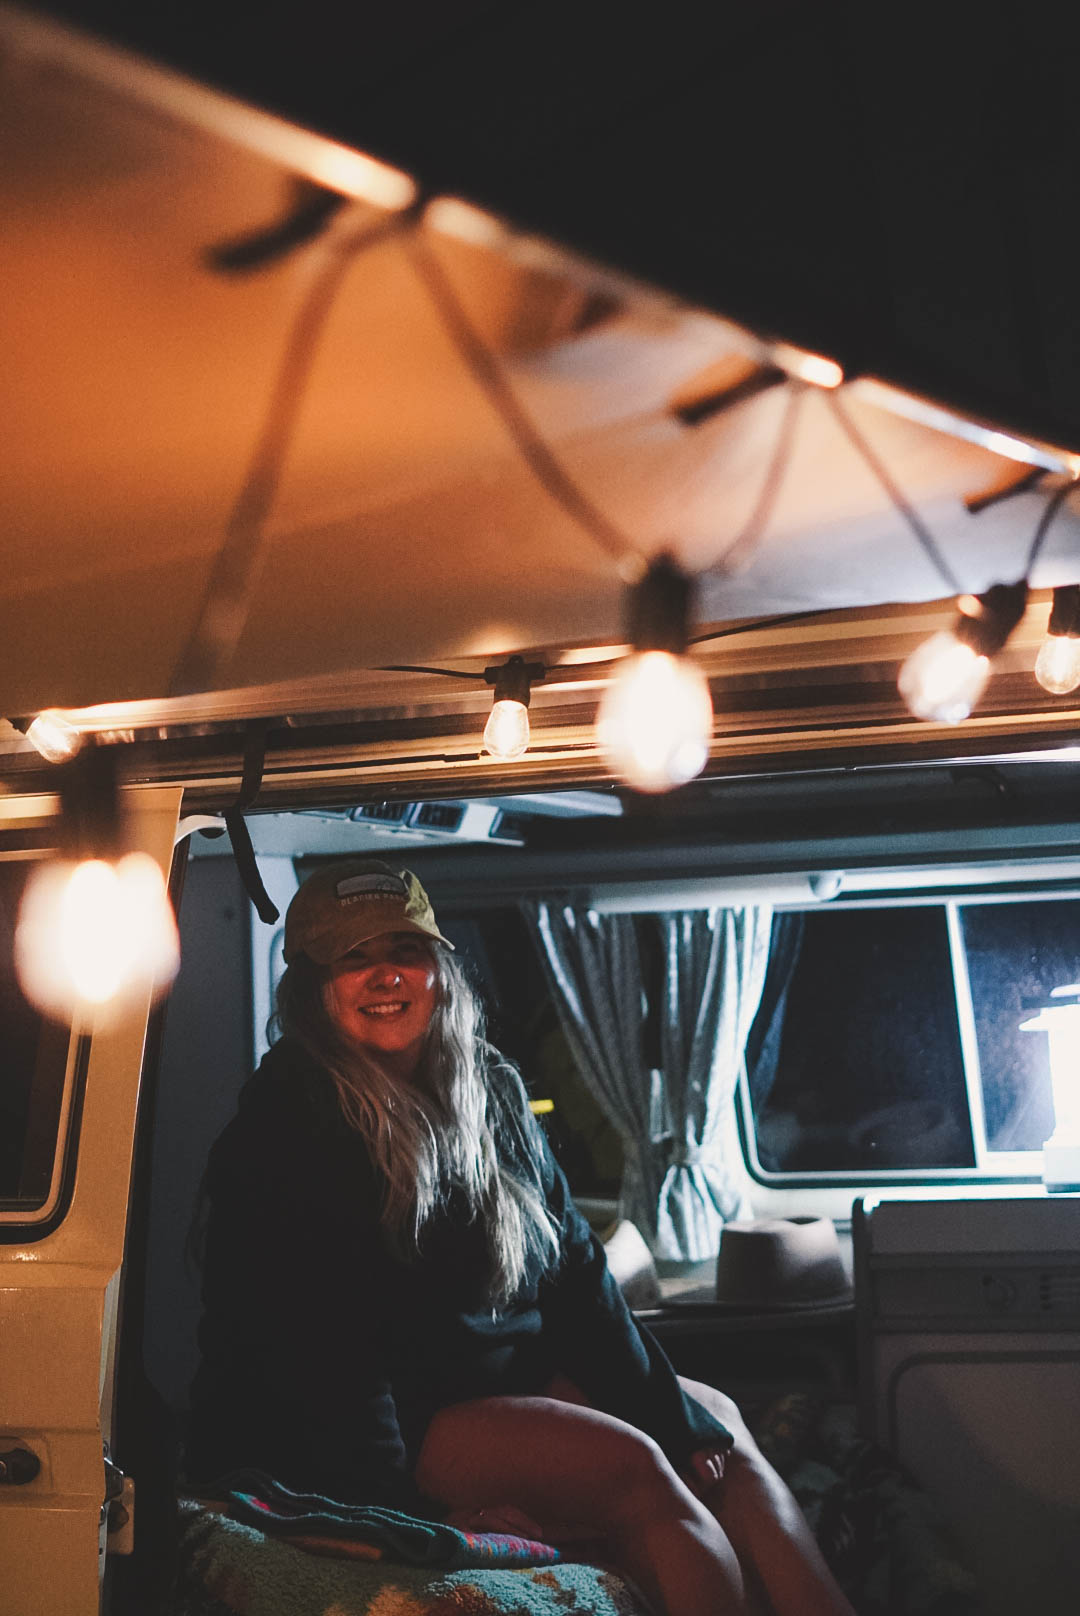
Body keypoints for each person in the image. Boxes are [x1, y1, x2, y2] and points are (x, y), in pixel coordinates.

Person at [187, 859, 855, 1616]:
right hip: (391, 1413)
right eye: (353, 958)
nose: (385, 976)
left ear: (439, 970)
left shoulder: (488, 1091)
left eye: (404, 951)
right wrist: (403, 1513)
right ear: (311, 988)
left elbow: (575, 1274)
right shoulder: (288, 1129)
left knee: (718, 1427)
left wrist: (675, 1417)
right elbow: (319, 1358)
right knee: (634, 1467)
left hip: (487, 1380)